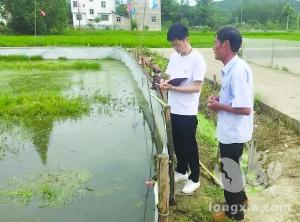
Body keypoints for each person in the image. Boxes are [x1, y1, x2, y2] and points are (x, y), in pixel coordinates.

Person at [208, 26, 253, 221]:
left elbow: (245, 108)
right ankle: (241, 199)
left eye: (215, 43)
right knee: (232, 169)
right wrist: (221, 97)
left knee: (229, 174)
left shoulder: (236, 71)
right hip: (231, 131)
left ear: (226, 45)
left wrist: (219, 107)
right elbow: (235, 97)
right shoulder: (232, 67)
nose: (213, 48)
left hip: (233, 133)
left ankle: (235, 214)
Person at [160, 23, 206, 194]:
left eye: (178, 44)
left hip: (187, 110)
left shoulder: (197, 59)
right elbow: (170, 77)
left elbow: (196, 87)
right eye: (173, 44)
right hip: (174, 108)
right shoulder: (174, 56)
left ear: (187, 40)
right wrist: (165, 83)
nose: (175, 48)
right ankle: (181, 170)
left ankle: (195, 178)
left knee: (190, 145)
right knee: (178, 142)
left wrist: (173, 88)